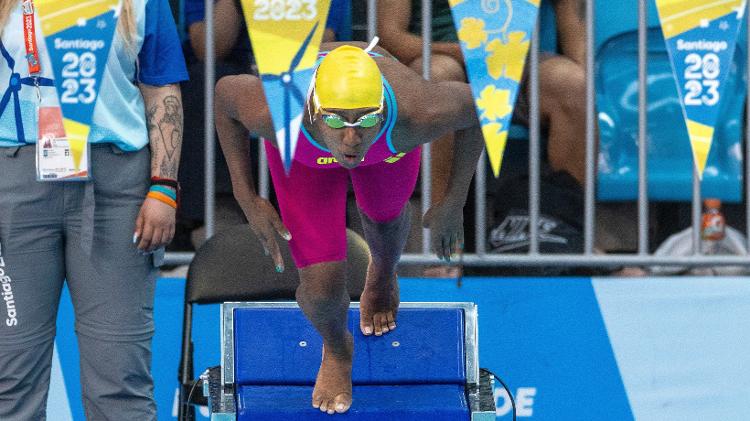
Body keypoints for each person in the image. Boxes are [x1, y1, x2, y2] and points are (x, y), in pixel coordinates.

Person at [215, 41, 483, 414]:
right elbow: (224, 94)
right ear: (313, 109)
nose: (351, 138)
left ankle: (382, 274)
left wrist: (454, 202)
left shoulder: (416, 111)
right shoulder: (279, 109)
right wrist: (246, 195)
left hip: (389, 147)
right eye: (337, 120)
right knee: (322, 289)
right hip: (304, 155)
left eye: (365, 119)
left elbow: (481, 108)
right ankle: (339, 349)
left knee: (385, 214)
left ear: (382, 109)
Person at [0, 0, 187, 419]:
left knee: (120, 380)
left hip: (117, 187)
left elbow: (161, 88)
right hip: (12, 184)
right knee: (9, 382)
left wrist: (164, 188)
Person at [176, 0, 353, 250]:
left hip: (295, 67)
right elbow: (208, 48)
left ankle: (315, 225)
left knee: (317, 81)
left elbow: (322, 42)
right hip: (234, 73)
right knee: (206, 81)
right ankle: (218, 219)